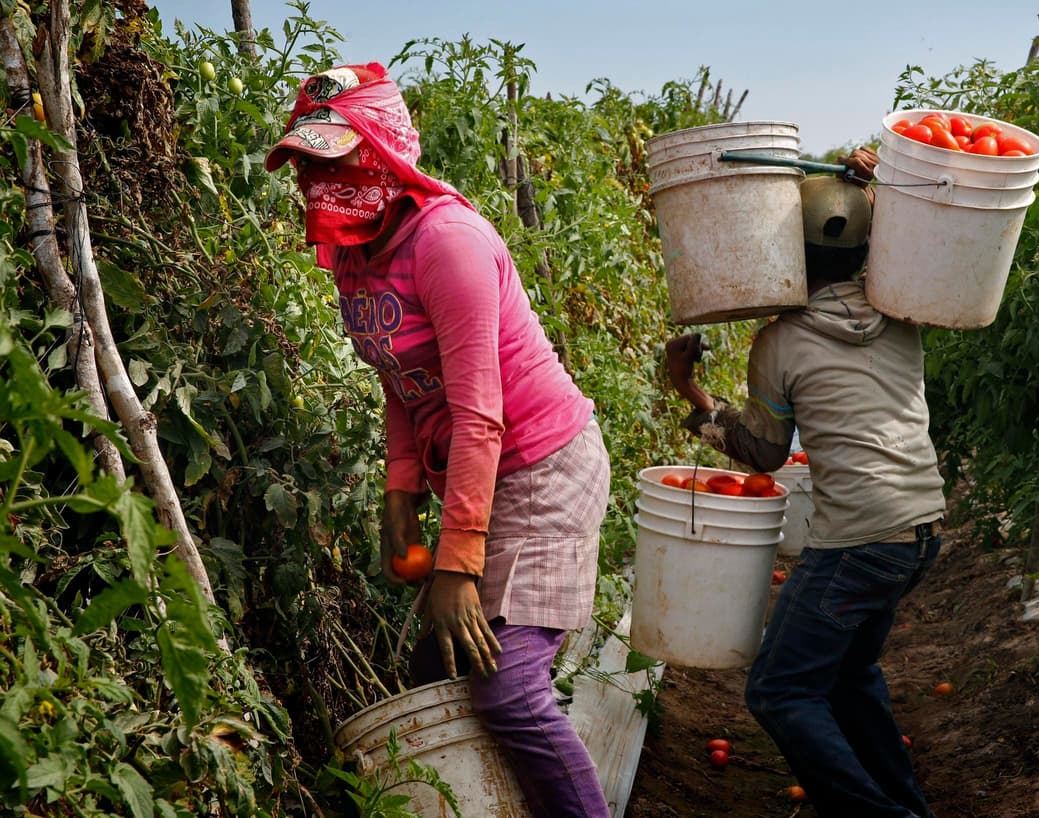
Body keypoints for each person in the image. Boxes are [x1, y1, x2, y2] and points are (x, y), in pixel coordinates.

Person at [266, 63, 611, 818]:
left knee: (509, 687)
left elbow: (480, 412)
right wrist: (400, 492)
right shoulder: (353, 254)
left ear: (385, 150)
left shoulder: (447, 242)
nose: (322, 180)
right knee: (439, 664)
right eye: (310, 163)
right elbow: (400, 376)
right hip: (470, 470)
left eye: (339, 159)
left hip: (542, 464)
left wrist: (456, 565)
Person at [665, 149, 946, 818]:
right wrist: (876, 183)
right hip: (922, 529)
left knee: (778, 692)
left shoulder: (780, 343)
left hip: (857, 541)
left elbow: (764, 454)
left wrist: (688, 389)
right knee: (849, 676)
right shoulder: (901, 316)